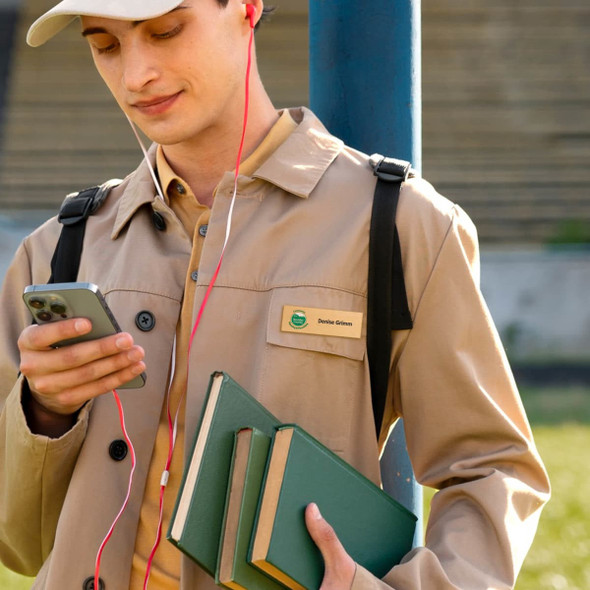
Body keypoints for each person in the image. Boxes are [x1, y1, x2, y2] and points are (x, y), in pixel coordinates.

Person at [0, 1, 550, 589]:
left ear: (247, 7)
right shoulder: (61, 247)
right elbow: (19, 544)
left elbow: (492, 469)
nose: (136, 76)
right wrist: (45, 412)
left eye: (165, 31)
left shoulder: (399, 225)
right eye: (104, 44)